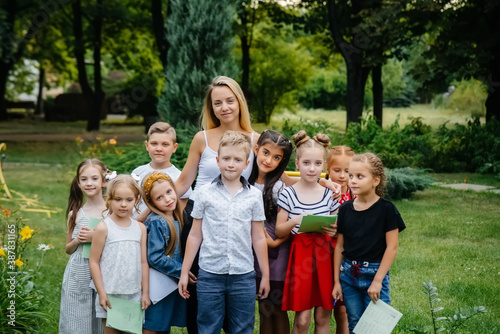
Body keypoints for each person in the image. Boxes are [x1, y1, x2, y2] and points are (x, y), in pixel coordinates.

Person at [174, 76, 258, 333]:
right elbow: (183, 182)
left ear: (239, 102)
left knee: (236, 290)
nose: (224, 107)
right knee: (200, 290)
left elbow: (278, 177)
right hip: (200, 218)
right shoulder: (203, 138)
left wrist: (326, 185)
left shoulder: (255, 139)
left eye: (230, 100)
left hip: (237, 220)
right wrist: (143, 211)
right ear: (211, 107)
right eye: (217, 102)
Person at [178, 130, 270, 334]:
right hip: (210, 274)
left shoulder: (254, 196)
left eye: (237, 159)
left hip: (243, 275)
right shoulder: (203, 193)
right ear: (218, 161)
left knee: (242, 328)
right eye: (226, 158)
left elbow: (258, 237)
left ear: (246, 164)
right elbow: (195, 234)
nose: (231, 164)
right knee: (208, 327)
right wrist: (185, 271)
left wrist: (265, 275)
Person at [332, 153, 406, 334]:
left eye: (359, 176)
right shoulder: (345, 209)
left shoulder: (387, 210)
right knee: (355, 325)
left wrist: (378, 281)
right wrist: (336, 281)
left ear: (375, 180)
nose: (352, 181)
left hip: (375, 274)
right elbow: (340, 247)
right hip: (348, 276)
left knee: (376, 328)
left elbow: (392, 247)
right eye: (351, 175)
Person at [275, 130, 340, 334]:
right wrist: (296, 220)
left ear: (324, 165)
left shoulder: (330, 194)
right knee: (302, 320)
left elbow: (338, 230)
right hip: (301, 257)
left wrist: (334, 230)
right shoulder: (288, 193)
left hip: (324, 257)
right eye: (306, 163)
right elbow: (279, 230)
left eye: (318, 164)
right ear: (297, 164)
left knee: (322, 316)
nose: (312, 169)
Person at [89, 174, 150, 333]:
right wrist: (101, 293)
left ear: (136, 200)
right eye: (118, 199)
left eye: (129, 200)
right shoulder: (104, 228)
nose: (123, 205)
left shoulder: (140, 228)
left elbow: (143, 262)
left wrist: (145, 293)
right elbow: (94, 261)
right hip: (110, 295)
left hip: (134, 294)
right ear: (109, 199)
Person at [247, 130, 293, 334]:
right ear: (256, 149)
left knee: (276, 308)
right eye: (265, 153)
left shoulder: (279, 189)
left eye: (276, 157)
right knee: (263, 308)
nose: (269, 160)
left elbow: (292, 223)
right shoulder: (243, 181)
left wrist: (275, 242)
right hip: (253, 255)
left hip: (276, 256)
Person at [59, 159, 108, 334]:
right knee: (77, 318)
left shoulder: (113, 211)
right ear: (78, 183)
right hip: (78, 273)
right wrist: (78, 240)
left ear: (104, 181)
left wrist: (97, 236)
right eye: (84, 179)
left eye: (94, 178)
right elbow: (68, 249)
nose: (89, 183)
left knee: (101, 316)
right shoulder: (76, 213)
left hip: (104, 271)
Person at [141, 172, 189, 333]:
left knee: (163, 325)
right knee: (152, 325)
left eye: (169, 192)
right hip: (158, 286)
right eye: (159, 198)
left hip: (170, 285)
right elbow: (154, 257)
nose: (168, 199)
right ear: (152, 203)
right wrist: (182, 271)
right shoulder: (157, 222)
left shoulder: (178, 218)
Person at [133, 121, 192, 220]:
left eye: (165, 144)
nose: (159, 149)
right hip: (135, 229)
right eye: (154, 144)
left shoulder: (179, 177)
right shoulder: (137, 173)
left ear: (174, 147)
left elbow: (179, 214)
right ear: (147, 146)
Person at [325, 145, 356, 334]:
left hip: (347, 254)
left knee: (343, 309)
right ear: (327, 170)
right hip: (324, 254)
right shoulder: (322, 192)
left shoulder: (357, 195)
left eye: (348, 171)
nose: (343, 176)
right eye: (337, 170)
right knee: (325, 307)